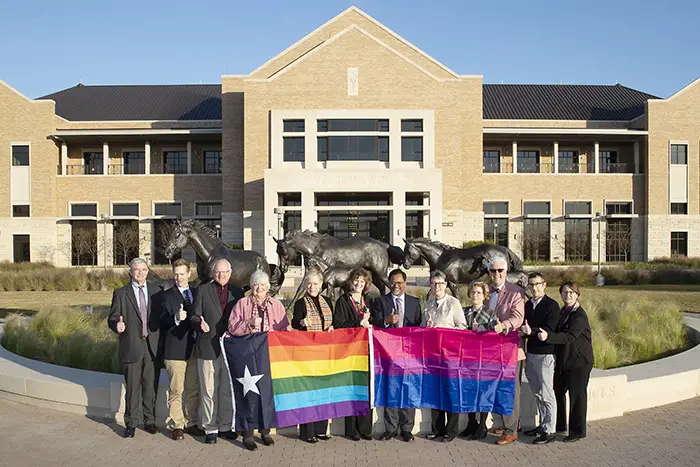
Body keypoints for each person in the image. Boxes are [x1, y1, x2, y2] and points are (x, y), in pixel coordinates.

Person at [229, 269, 290, 450]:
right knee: (248, 393)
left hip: (268, 356)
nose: (259, 288)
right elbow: (232, 327)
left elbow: (285, 329)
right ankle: (247, 433)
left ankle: (265, 431)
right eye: (256, 285)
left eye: (262, 285)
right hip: (247, 355)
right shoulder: (242, 304)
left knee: (266, 392)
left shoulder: (276, 305)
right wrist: (247, 323)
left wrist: (279, 333)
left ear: (268, 287)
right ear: (251, 286)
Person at [190, 258, 244, 445]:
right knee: (209, 390)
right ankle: (210, 428)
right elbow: (194, 316)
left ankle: (225, 426)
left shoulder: (238, 293)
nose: (221, 275)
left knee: (227, 390)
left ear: (230, 273)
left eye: (225, 272)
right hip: (207, 347)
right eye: (218, 272)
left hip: (230, 348)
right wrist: (199, 324)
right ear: (213, 273)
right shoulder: (203, 291)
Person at [107, 258, 162, 438]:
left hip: (151, 346)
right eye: (136, 270)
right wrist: (117, 326)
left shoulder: (156, 291)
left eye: (144, 269)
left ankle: (149, 421)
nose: (140, 273)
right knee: (132, 388)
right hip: (131, 346)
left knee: (150, 387)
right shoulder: (121, 293)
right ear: (130, 271)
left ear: (148, 271)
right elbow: (113, 317)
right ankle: (131, 423)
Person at [536, 282, 594, 443]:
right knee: (558, 392)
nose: (568, 295)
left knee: (577, 396)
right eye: (564, 292)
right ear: (561, 294)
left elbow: (570, 337)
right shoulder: (563, 312)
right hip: (563, 360)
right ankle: (560, 425)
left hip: (579, 362)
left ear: (577, 294)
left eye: (571, 292)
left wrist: (549, 337)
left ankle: (577, 431)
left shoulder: (579, 315)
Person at [370, 268, 422, 442]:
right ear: (389, 283)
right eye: (393, 282)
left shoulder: (415, 302)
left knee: (408, 389)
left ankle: (407, 429)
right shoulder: (380, 301)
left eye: (399, 282)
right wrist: (386, 321)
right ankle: (391, 428)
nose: (396, 285)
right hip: (388, 354)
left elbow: (418, 327)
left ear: (405, 283)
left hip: (409, 354)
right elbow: (374, 323)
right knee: (391, 389)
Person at [421, 270, 466, 443]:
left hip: (450, 355)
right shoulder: (429, 303)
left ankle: (450, 430)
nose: (436, 286)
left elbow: (463, 327)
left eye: (440, 283)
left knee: (450, 391)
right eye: (433, 283)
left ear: (446, 285)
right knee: (435, 392)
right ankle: (437, 428)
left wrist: (444, 332)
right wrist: (426, 327)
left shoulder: (453, 303)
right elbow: (422, 327)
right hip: (433, 356)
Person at [291, 269, 334, 444]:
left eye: (315, 284)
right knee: (309, 391)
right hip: (307, 352)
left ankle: (321, 429)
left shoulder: (328, 302)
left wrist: (332, 328)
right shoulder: (301, 303)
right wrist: (302, 322)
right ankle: (307, 431)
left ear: (321, 285)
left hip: (325, 352)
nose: (312, 287)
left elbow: (334, 322)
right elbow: (294, 323)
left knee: (323, 390)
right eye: (309, 283)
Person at [160, 259, 202, 440]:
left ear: (189, 274)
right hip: (175, 349)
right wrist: (175, 318)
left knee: (193, 388)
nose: (179, 278)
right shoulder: (166, 295)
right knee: (176, 389)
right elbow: (161, 321)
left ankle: (190, 421)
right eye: (176, 274)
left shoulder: (196, 292)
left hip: (194, 348)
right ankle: (177, 425)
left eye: (182, 274)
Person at [486, 255, 526, 446]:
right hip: (492, 351)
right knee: (497, 388)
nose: (497, 274)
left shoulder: (516, 292)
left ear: (506, 272)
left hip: (511, 350)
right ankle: (502, 424)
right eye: (493, 271)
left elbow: (518, 318)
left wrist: (504, 325)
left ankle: (511, 430)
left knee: (511, 391)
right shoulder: (488, 292)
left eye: (500, 270)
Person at [519, 272, 561, 445]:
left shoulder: (552, 305)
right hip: (531, 353)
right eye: (531, 284)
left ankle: (550, 430)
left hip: (545, 355)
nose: (534, 287)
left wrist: (532, 331)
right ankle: (543, 425)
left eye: (537, 284)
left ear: (544, 285)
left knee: (546, 393)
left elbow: (549, 328)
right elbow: (525, 326)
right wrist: (525, 331)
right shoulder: (528, 305)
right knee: (537, 392)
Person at [333, 267, 374, 441]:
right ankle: (352, 430)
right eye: (356, 280)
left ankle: (365, 429)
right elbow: (339, 323)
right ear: (351, 281)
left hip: (367, 350)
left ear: (366, 284)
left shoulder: (369, 300)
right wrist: (359, 322)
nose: (359, 283)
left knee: (366, 388)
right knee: (352, 390)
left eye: (362, 281)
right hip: (350, 351)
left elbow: (377, 321)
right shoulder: (343, 300)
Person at [459, 281, 498, 441]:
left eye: (479, 293)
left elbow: (495, 333)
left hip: (484, 359)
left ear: (484, 295)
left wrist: (483, 330)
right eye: (473, 292)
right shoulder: (463, 311)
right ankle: (471, 422)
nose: (475, 295)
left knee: (483, 391)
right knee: (468, 390)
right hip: (467, 358)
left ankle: (482, 425)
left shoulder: (490, 313)